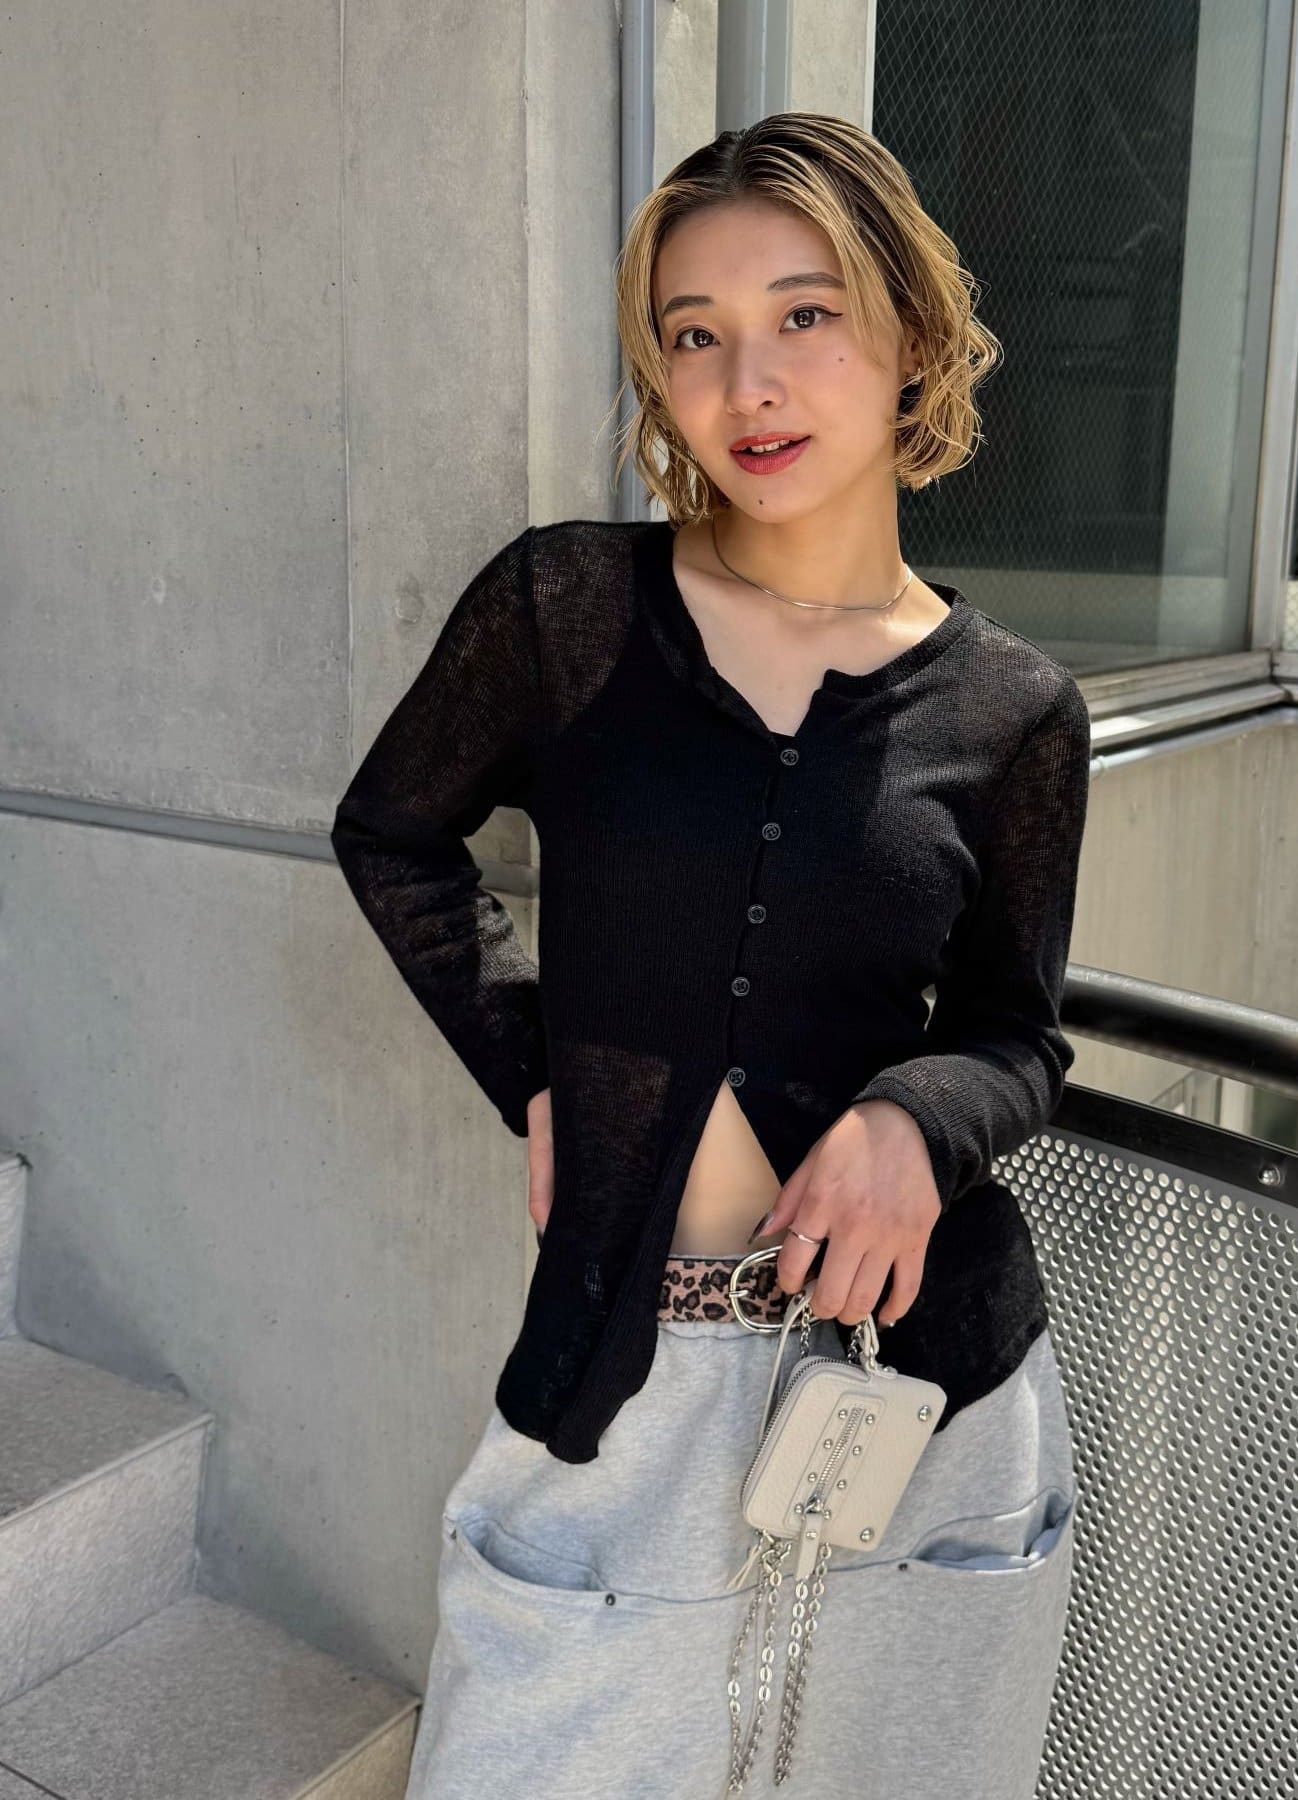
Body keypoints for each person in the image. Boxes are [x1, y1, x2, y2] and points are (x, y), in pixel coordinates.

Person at [331, 111, 1092, 1800]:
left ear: (911, 334)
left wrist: (916, 1125)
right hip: (633, 1366)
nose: (749, 381)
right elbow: (392, 835)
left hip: (923, 1391)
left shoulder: (1016, 711)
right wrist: (541, 1073)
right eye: (695, 335)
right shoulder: (566, 611)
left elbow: (1016, 1033)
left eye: (806, 314)